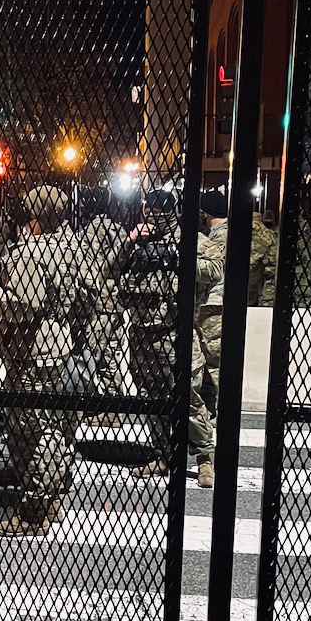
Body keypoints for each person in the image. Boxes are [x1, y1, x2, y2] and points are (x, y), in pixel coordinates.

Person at [0, 185, 91, 537]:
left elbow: (21, 307)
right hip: (57, 344)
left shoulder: (31, 253)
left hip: (31, 351)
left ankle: (34, 510)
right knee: (51, 423)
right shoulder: (74, 247)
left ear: (33, 216)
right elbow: (87, 296)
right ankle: (53, 496)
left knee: (29, 431)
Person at [118, 189, 212, 482]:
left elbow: (215, 269)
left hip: (176, 333)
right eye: (149, 213)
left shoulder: (190, 240)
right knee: (153, 399)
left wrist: (176, 257)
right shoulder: (139, 239)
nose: (152, 219)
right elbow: (109, 270)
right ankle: (162, 454)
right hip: (143, 334)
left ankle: (204, 459)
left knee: (189, 398)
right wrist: (130, 243)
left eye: (158, 214)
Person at [76, 186, 130, 412]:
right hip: (115, 299)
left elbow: (93, 269)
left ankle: (107, 406)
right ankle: (112, 401)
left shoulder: (92, 231)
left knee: (100, 354)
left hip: (99, 303)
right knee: (113, 352)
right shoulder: (118, 229)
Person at [193, 188, 229, 488]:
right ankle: (213, 411)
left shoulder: (217, 238)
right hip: (214, 303)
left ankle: (218, 413)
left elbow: (214, 272)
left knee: (214, 362)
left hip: (212, 304)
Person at [248, 208, 277, 307]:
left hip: (267, 280)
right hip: (265, 278)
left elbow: (253, 260)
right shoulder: (265, 233)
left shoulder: (261, 235)